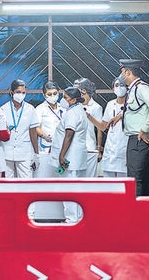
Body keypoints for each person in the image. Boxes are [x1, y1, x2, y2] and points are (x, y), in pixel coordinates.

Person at [115, 59, 149, 196]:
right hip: (135, 139)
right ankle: (146, 211)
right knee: (142, 176)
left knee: (136, 177)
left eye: (122, 72)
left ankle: (137, 213)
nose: (121, 76)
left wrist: (145, 129)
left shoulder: (141, 88)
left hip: (139, 138)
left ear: (128, 72)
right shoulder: (134, 89)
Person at [49, 87, 88, 223]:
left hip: (70, 157)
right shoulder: (77, 110)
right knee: (75, 189)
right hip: (76, 156)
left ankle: (71, 219)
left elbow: (69, 135)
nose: (62, 100)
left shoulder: (72, 114)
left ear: (72, 100)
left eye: (65, 97)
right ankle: (76, 219)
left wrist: (61, 155)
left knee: (69, 188)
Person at [0, 79, 40, 178]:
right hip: (6, 153)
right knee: (7, 184)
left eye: (23, 93)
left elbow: (33, 132)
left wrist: (36, 153)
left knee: (26, 184)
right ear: (11, 93)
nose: (21, 95)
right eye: (18, 92)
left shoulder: (30, 109)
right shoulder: (3, 110)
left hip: (24, 153)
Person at [74, 77, 104, 177]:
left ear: (83, 90)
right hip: (75, 147)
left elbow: (99, 129)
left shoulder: (96, 107)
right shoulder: (74, 105)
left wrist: (99, 149)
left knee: (90, 177)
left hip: (90, 147)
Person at [100, 78, 129, 177]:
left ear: (127, 88)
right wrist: (89, 117)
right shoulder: (110, 104)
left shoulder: (131, 105)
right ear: (113, 89)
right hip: (110, 146)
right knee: (108, 181)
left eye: (122, 85)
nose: (119, 88)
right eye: (117, 85)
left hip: (125, 145)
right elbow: (103, 126)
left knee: (124, 181)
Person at [35, 81, 65, 153]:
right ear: (44, 95)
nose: (52, 96)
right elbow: (36, 127)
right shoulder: (40, 109)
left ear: (58, 92)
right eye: (49, 94)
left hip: (62, 145)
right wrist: (44, 136)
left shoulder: (63, 108)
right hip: (46, 145)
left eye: (55, 93)